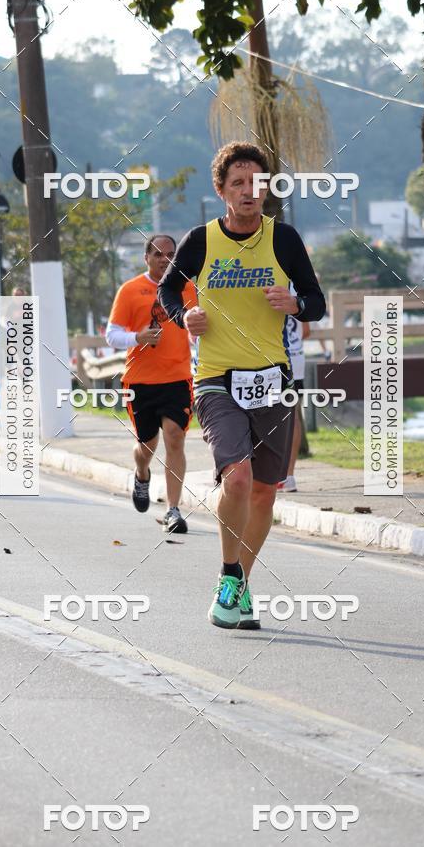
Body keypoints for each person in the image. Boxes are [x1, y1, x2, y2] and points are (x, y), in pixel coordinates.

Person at [159, 141, 325, 629]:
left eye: (257, 183)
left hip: (273, 379)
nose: (250, 192)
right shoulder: (201, 240)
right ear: (221, 190)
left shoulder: (284, 239)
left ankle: (240, 588)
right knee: (237, 478)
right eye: (239, 184)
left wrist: (294, 303)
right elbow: (169, 289)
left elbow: (316, 301)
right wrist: (183, 315)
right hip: (216, 379)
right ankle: (228, 574)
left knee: (265, 493)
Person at [106, 234, 197, 534]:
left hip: (177, 377)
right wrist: (137, 338)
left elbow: (197, 331)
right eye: (158, 253)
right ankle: (142, 473)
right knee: (146, 445)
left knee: (174, 437)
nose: (164, 258)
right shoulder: (130, 290)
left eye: (170, 253)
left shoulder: (187, 288)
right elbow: (112, 334)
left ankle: (173, 510)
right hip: (140, 381)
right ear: (147, 257)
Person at [279, 289, 311, 493]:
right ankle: (289, 475)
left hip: (273, 356)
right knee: (293, 416)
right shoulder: (299, 289)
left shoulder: (267, 281)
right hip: (296, 357)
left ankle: (273, 472)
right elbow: (306, 331)